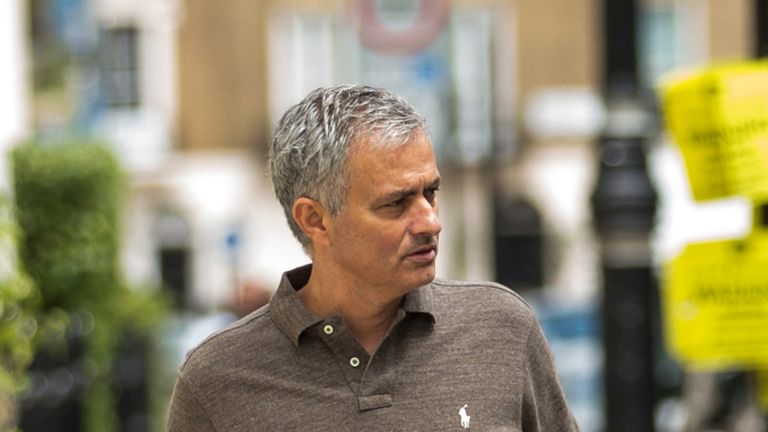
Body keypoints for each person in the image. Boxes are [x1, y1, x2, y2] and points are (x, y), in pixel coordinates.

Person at [167, 85, 579, 431]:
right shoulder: (217, 381)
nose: (430, 222)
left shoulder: (501, 328)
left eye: (430, 193)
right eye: (396, 203)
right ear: (316, 220)